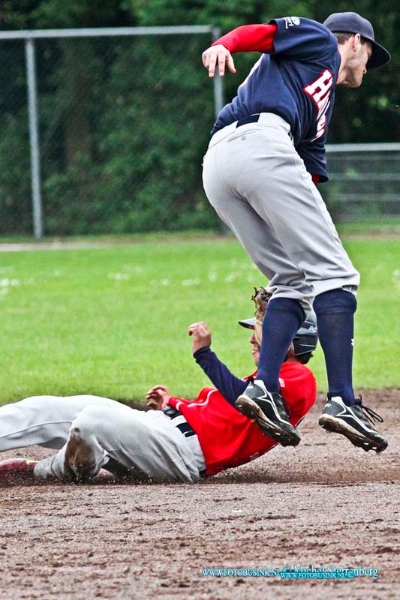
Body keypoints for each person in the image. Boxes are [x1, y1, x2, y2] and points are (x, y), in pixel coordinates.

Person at [201, 12, 390, 452]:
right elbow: (262, 33)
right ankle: (343, 399)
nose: (366, 68)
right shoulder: (321, 40)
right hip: (261, 144)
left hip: (220, 165)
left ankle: (264, 386)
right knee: (337, 276)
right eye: (369, 57)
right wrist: (225, 44)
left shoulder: (318, 104)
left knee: (292, 279)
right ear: (356, 43)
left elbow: (310, 175)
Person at [0, 309, 318, 485]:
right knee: (52, 407)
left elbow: (246, 403)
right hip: (161, 433)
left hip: (180, 456)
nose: (253, 337)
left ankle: (45, 471)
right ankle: (82, 459)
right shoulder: (267, 379)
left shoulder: (300, 379)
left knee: (91, 421)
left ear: (292, 340)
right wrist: (174, 404)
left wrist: (205, 355)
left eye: (263, 331)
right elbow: (223, 414)